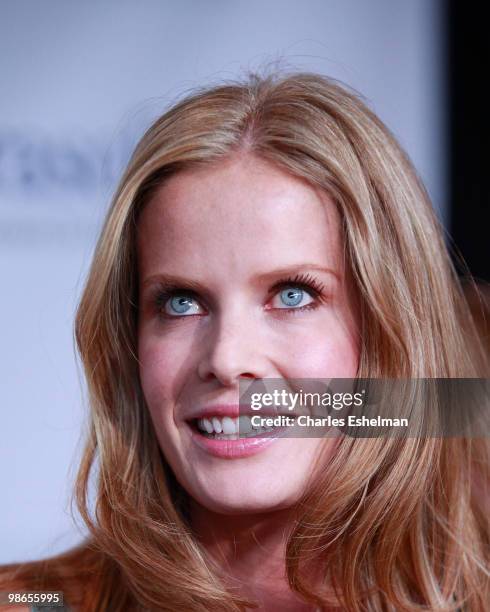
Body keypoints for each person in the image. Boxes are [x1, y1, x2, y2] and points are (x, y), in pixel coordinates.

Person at [1, 71, 488, 611]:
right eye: (181, 302)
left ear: (391, 328)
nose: (227, 359)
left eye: (293, 295)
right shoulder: (33, 601)